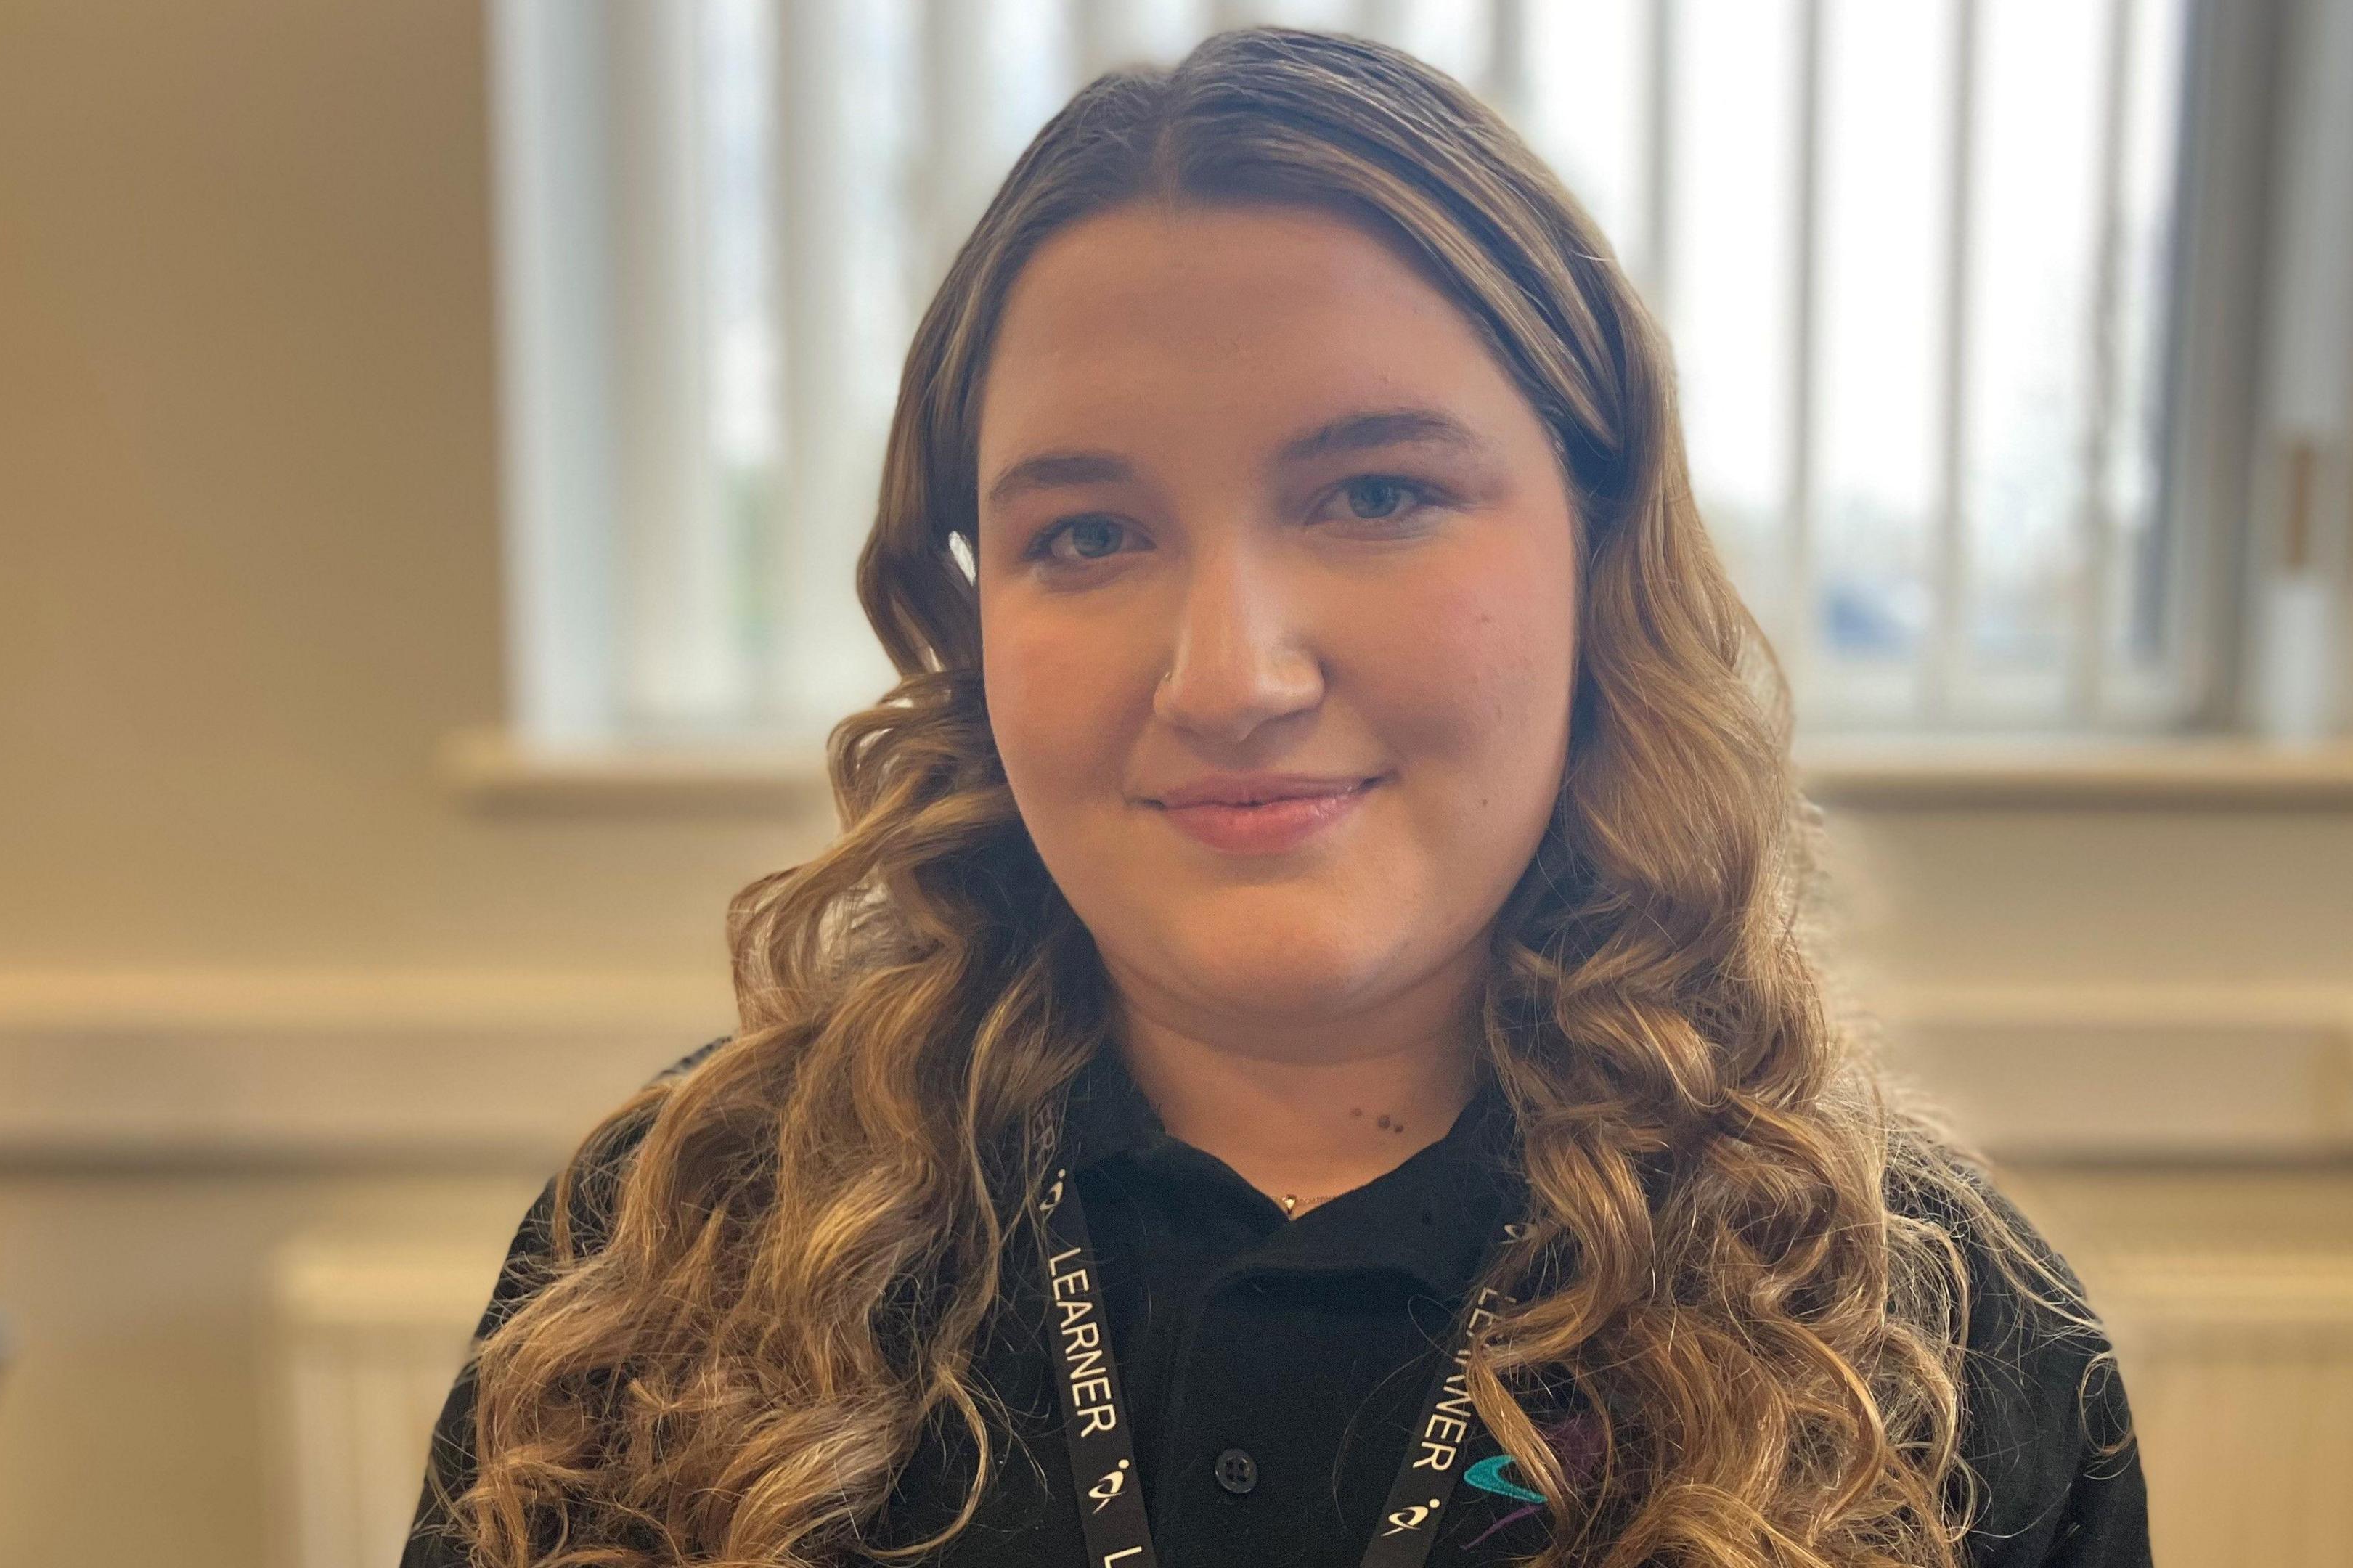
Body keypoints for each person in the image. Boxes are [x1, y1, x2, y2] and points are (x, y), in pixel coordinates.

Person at [404, 25, 2148, 1568]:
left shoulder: (1937, 1342)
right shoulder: (667, 1248)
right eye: (1085, 535)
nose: (1229, 678)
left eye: (1375, 493)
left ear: (1600, 546)